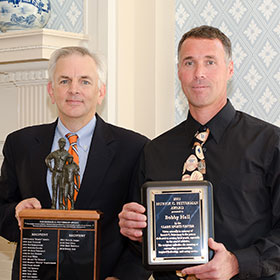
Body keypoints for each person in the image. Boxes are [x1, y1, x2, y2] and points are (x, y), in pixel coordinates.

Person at [118, 25, 280, 280]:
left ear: (230, 70)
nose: (199, 73)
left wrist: (237, 263)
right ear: (179, 72)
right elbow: (143, 248)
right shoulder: (155, 151)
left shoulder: (270, 143)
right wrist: (135, 232)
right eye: (189, 62)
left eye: (210, 62)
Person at [0, 46, 150, 280]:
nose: (73, 90)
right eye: (64, 81)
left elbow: (142, 228)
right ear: (51, 90)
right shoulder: (20, 144)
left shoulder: (134, 148)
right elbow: (2, 207)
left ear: (101, 92)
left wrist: (123, 277)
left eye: (85, 81)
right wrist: (15, 215)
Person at [45, 137, 70, 209]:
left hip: (62, 173)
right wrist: (50, 167)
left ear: (65, 144)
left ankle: (61, 204)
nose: (61, 144)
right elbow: (47, 159)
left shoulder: (66, 154)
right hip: (55, 173)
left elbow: (72, 162)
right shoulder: (55, 153)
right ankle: (53, 204)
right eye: (60, 143)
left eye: (63, 143)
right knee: (54, 188)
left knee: (62, 189)